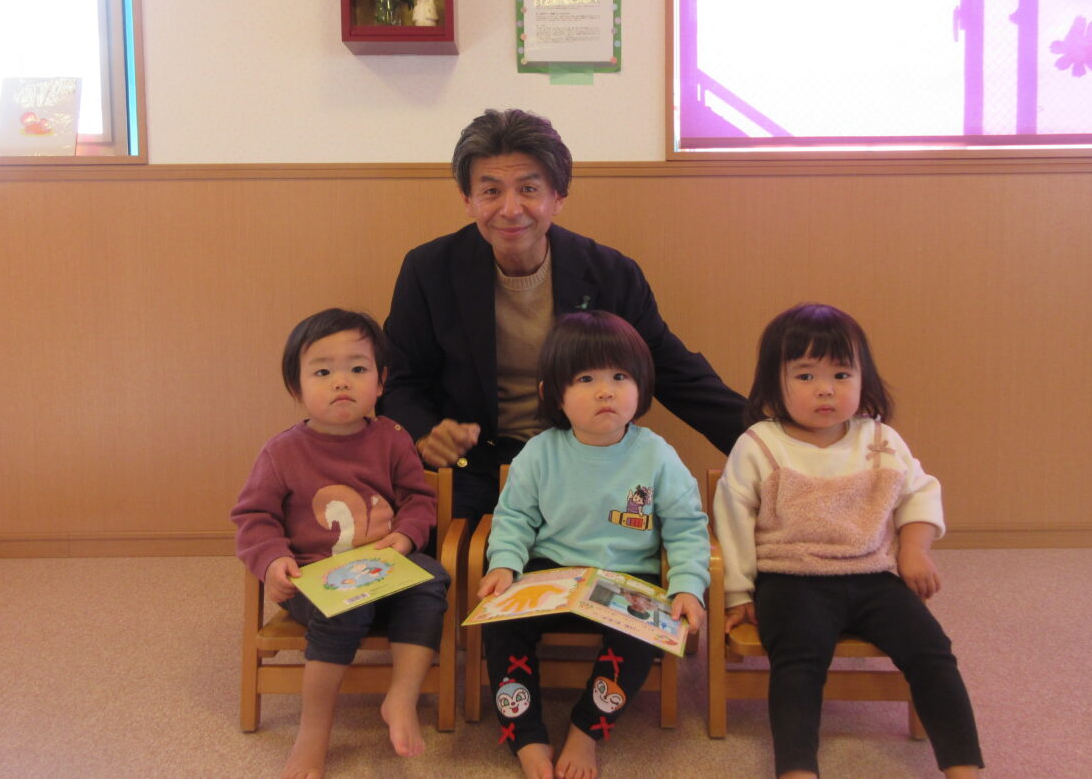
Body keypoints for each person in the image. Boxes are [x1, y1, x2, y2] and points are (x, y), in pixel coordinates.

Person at [381, 107, 748, 523]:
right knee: (449, 551)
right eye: (491, 191)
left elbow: (673, 371)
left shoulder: (610, 273)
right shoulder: (430, 270)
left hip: (586, 457)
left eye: (528, 189)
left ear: (558, 197)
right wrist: (426, 434)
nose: (510, 209)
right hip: (476, 468)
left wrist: (768, 440)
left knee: (621, 548)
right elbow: (401, 381)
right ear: (468, 200)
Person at [712, 303, 983, 779]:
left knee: (932, 650)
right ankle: (797, 769)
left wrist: (914, 549)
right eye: (805, 376)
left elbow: (918, 493)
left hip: (872, 576)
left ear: (863, 379)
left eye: (841, 374)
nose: (826, 389)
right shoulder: (759, 444)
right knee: (798, 663)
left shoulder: (880, 439)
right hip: (791, 578)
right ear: (774, 383)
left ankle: (964, 768)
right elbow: (732, 518)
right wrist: (737, 592)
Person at [476, 310, 709, 779]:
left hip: (628, 578)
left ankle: (587, 731)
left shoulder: (657, 455)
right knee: (501, 626)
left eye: (620, 376)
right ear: (553, 394)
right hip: (550, 571)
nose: (606, 391)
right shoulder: (539, 452)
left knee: (640, 637)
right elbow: (515, 518)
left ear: (641, 385)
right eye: (586, 378)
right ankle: (524, 734)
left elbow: (686, 527)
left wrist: (687, 584)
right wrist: (504, 563)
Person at [231, 308, 450, 778]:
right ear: (296, 388)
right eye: (323, 372)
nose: (342, 382)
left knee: (433, 578)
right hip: (317, 583)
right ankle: (313, 732)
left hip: (384, 572)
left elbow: (419, 499)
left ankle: (401, 697)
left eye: (357, 368)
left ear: (381, 381)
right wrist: (273, 561)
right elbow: (254, 518)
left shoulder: (392, 438)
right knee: (345, 608)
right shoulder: (282, 452)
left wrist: (405, 536)